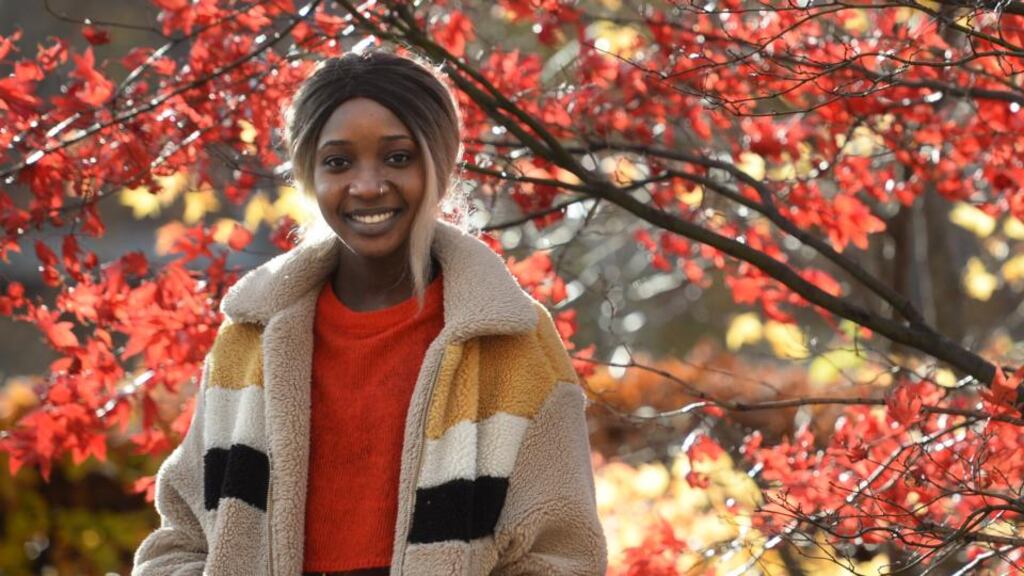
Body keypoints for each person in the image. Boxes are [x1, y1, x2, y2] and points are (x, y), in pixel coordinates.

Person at [132, 48, 607, 576]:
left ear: (441, 165)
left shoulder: (511, 340)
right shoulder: (249, 336)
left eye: (397, 157)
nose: (366, 185)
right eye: (338, 162)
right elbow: (182, 540)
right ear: (309, 175)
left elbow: (564, 557)